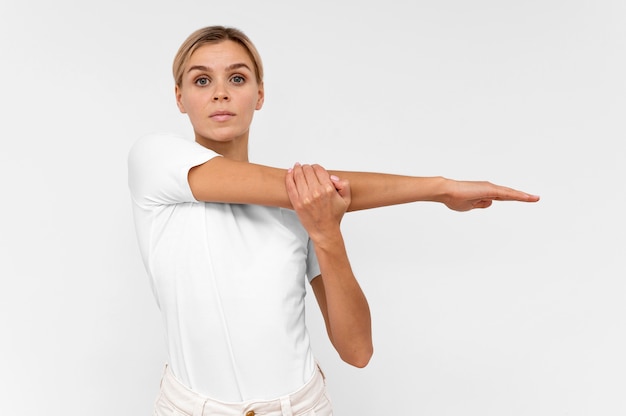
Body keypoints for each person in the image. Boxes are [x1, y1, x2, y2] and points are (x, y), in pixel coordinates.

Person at [127, 25, 539, 416]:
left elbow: (357, 351)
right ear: (179, 97)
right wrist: (439, 188)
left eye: (237, 79)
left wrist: (326, 234)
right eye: (202, 81)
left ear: (260, 94)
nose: (220, 93)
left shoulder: (303, 209)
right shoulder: (156, 159)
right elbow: (303, 188)